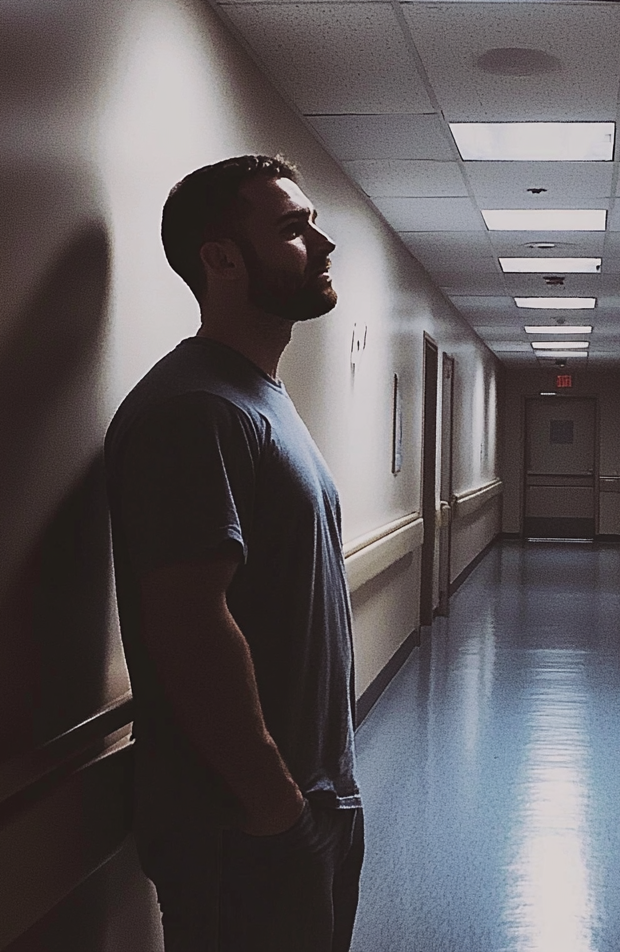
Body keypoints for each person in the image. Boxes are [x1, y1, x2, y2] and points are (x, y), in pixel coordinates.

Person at [104, 155, 363, 952]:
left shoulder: (261, 399)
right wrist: (274, 806)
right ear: (220, 259)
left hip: (304, 808)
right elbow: (187, 621)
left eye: (314, 224)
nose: (322, 246)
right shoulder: (195, 409)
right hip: (243, 833)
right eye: (292, 228)